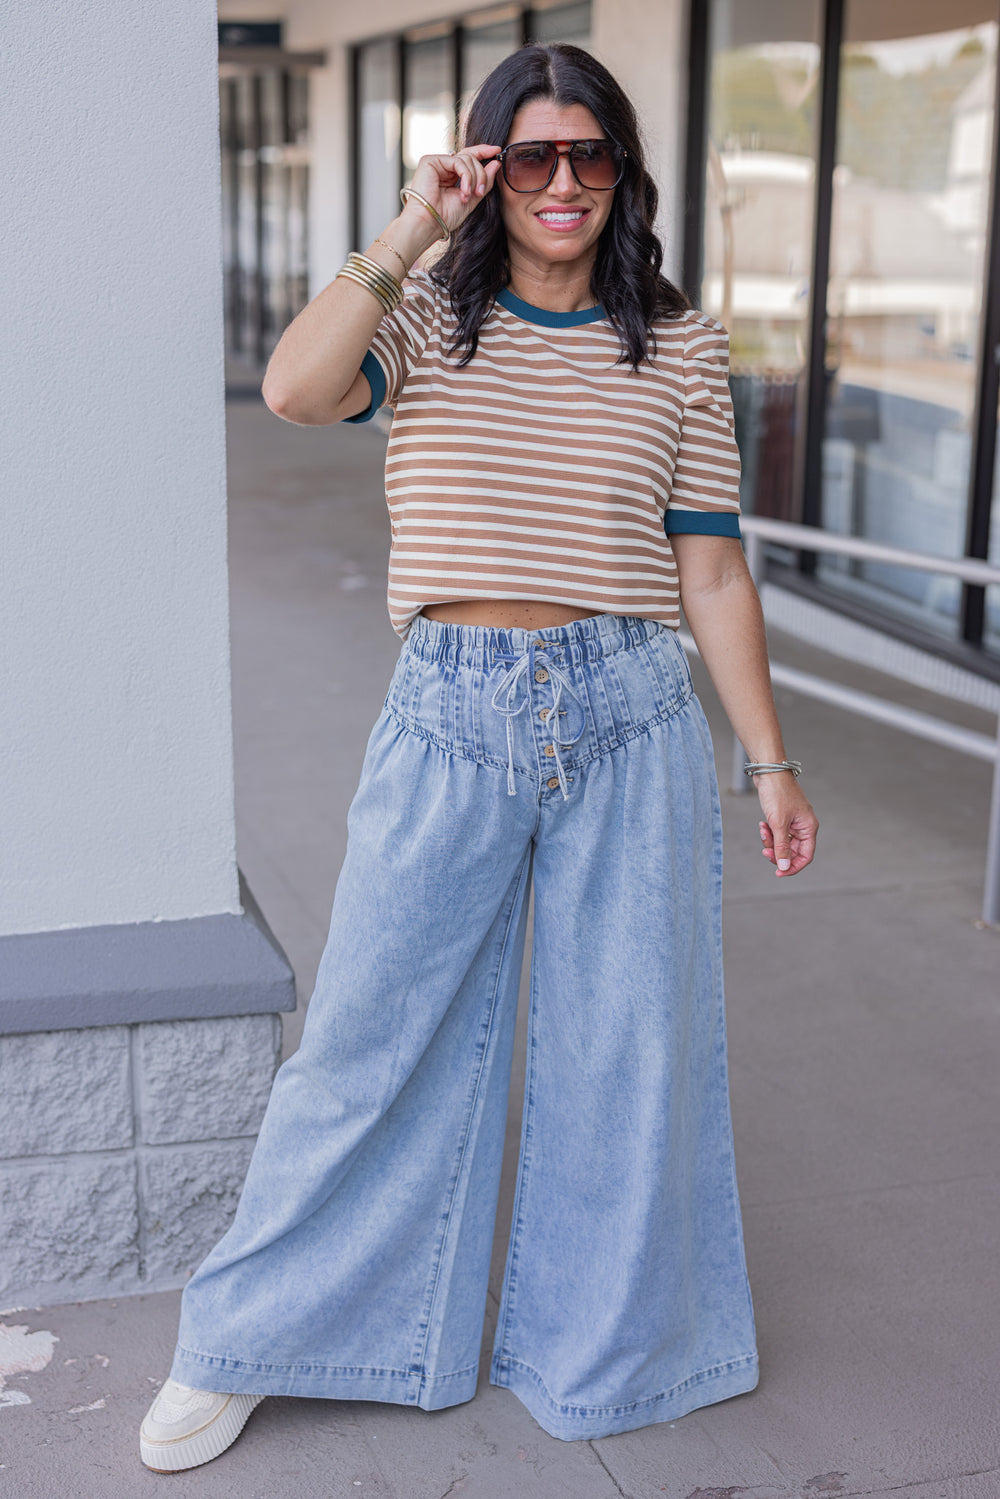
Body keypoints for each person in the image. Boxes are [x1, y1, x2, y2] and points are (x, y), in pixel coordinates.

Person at [139, 42, 817, 1473]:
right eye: (529, 156)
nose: (561, 182)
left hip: (632, 709)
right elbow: (293, 388)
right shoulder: (431, 322)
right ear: (488, 168)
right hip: (451, 708)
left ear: (623, 172)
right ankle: (257, 1340)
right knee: (364, 1046)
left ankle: (605, 1354)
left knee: (628, 1050)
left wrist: (769, 760)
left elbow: (712, 577)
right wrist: (413, 223)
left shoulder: (681, 348)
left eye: (589, 156)